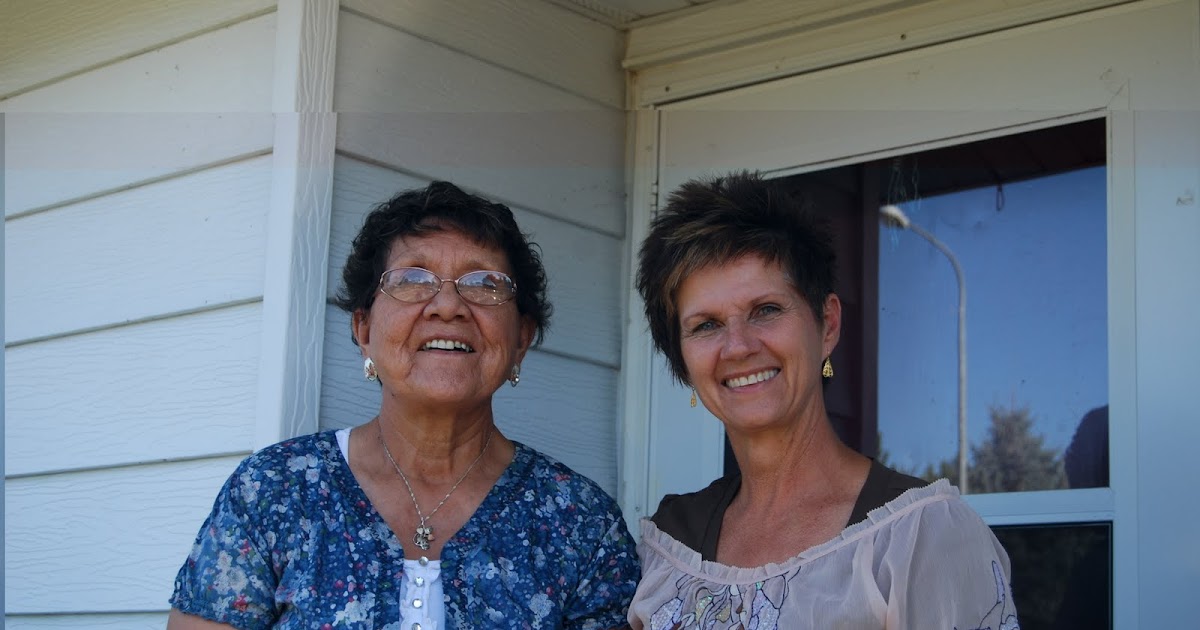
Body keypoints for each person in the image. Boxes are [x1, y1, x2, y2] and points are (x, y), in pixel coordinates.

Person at [169, 181, 639, 629]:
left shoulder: (581, 522)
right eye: (413, 278)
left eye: (484, 283)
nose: (448, 306)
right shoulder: (273, 491)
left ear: (521, 339)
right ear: (364, 330)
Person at [628, 172, 1018, 629]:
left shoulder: (922, 538)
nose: (737, 347)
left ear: (827, 324)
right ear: (681, 356)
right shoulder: (669, 545)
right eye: (706, 325)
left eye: (766, 310)